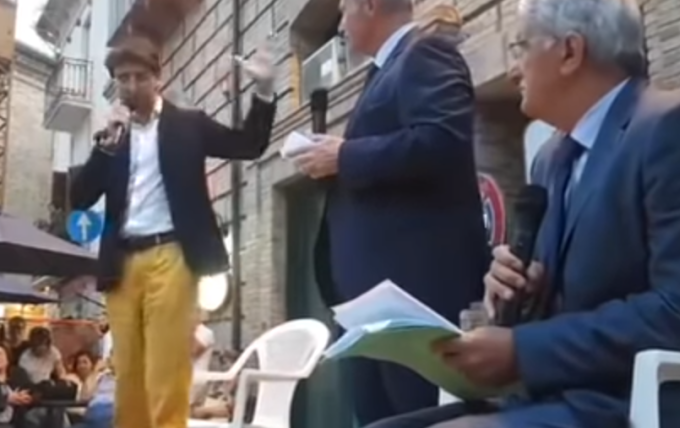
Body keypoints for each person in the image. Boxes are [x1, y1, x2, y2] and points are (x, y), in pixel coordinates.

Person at [365, 1, 680, 428]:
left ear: (570, 52)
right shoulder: (550, 159)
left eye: (520, 47)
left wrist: (522, 350)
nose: (513, 70)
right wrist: (511, 297)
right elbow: (563, 308)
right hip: (562, 397)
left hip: (653, 403)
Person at [293, 0, 488, 424]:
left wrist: (345, 156)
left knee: (419, 417)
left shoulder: (426, 53)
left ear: (369, 5)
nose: (340, 24)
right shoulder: (384, 70)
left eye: (344, 9)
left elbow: (442, 141)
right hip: (373, 308)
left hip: (414, 300)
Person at [68, 34, 277, 428]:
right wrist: (105, 146)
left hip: (172, 255)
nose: (131, 85)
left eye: (139, 76)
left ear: (157, 78)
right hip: (120, 264)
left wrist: (264, 91)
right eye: (123, 78)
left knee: (165, 371)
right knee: (128, 373)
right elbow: (80, 198)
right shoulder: (113, 136)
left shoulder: (188, 125)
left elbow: (248, 145)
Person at [0, 345, 32, 428]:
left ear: (8, 358)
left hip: (17, 421)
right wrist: (7, 399)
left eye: (1, 354)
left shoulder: (18, 374)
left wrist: (27, 397)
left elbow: (31, 389)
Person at [190, 313, 215, 406]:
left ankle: (221, 411)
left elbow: (194, 351)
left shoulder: (205, 333)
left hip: (196, 379)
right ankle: (221, 411)